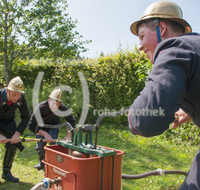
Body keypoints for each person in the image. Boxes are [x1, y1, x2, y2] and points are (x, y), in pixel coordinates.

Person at [128, 1, 200, 189]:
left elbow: (146, 120)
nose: (140, 46)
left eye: (142, 36)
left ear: (161, 27)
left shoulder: (175, 47)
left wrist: (132, 116)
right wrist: (192, 112)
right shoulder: (195, 46)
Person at [28, 88, 75, 170]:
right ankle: (41, 162)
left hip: (54, 126)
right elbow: (31, 125)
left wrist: (68, 135)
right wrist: (45, 134)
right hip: (41, 127)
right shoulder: (40, 107)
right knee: (41, 147)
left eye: (58, 104)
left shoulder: (62, 108)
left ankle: (53, 164)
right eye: (53, 103)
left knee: (53, 144)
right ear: (49, 100)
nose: (55, 106)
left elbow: (71, 121)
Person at [0, 76, 30, 183]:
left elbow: (26, 116)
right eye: (14, 94)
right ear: (8, 90)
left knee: (13, 144)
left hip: (8, 121)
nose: (16, 97)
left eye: (19, 94)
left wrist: (17, 133)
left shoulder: (21, 97)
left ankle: (6, 173)